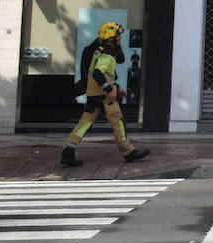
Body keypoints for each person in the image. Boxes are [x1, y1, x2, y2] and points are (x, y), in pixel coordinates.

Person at [59, 22, 149, 167]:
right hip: (104, 96)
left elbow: (105, 74)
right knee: (118, 121)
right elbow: (98, 73)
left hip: (93, 94)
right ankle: (128, 152)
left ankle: (68, 152)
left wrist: (116, 87)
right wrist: (109, 90)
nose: (120, 39)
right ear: (111, 38)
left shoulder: (99, 50)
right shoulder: (108, 52)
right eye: (118, 36)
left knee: (85, 123)